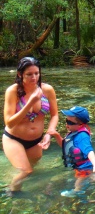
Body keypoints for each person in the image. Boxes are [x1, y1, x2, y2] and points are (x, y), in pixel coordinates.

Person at [2, 57, 59, 193]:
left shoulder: (47, 89)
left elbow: (54, 115)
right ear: (20, 74)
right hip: (14, 138)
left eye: (36, 73)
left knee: (30, 171)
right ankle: (11, 196)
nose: (34, 77)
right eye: (29, 74)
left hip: (35, 141)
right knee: (26, 171)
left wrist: (49, 133)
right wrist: (30, 103)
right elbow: (9, 122)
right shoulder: (13, 91)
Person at [50, 106, 95, 197]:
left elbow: (89, 150)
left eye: (70, 122)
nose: (66, 124)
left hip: (85, 167)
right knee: (82, 177)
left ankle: (76, 192)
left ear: (80, 124)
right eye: (66, 121)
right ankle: (92, 177)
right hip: (79, 166)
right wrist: (57, 136)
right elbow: (64, 145)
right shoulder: (73, 133)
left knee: (78, 183)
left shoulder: (82, 136)